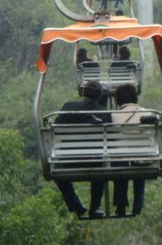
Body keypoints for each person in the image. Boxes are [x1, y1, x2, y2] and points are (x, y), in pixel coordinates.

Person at [55, 81, 110, 219]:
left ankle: (75, 206)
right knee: (102, 166)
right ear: (99, 97)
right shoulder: (104, 113)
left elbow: (55, 129)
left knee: (58, 172)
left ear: (83, 93)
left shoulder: (68, 107)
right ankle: (94, 208)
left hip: (67, 161)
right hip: (94, 162)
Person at [112, 83, 148, 216]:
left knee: (120, 162)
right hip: (145, 158)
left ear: (118, 100)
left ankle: (121, 203)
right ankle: (138, 203)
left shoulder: (114, 116)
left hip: (122, 160)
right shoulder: (148, 113)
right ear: (135, 98)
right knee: (141, 161)